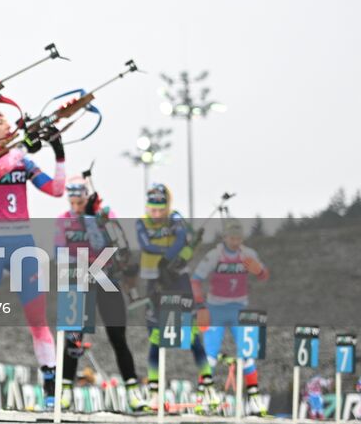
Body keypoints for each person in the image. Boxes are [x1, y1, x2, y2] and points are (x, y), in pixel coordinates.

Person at [0, 106, 66, 411]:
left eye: (7, 119)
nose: (7, 124)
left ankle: (51, 387)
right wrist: (22, 148)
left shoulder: (23, 160)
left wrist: (58, 154)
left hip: (23, 246)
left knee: (38, 321)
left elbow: (57, 190)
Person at [56, 176, 149, 412]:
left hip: (106, 278)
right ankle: (65, 389)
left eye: (81, 202)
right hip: (77, 279)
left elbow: (115, 246)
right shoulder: (63, 220)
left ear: (88, 198)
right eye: (73, 202)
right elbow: (59, 251)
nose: (76, 207)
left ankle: (132, 390)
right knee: (73, 336)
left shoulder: (104, 216)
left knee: (117, 336)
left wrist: (93, 219)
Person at [137, 183, 215, 413]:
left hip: (177, 279)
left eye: (161, 210)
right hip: (155, 280)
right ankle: (153, 391)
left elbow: (182, 239)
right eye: (153, 210)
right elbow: (146, 245)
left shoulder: (176, 218)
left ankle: (207, 385)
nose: (157, 215)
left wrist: (170, 260)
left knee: (190, 334)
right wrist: (165, 259)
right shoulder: (142, 221)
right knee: (155, 336)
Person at [192, 219, 270, 416]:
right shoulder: (215, 255)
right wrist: (201, 306)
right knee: (210, 355)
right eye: (232, 238)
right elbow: (195, 280)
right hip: (216, 308)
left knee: (248, 354)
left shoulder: (248, 254)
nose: (235, 242)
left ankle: (254, 399)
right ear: (225, 237)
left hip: (239, 308)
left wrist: (259, 271)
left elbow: (264, 275)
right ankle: (201, 397)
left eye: (238, 238)